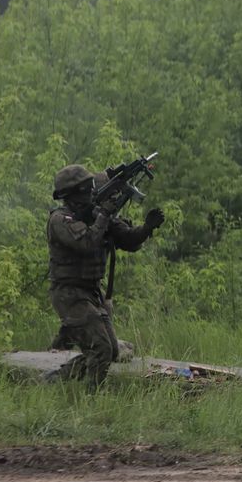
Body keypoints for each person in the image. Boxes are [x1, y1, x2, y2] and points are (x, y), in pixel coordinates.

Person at [46, 164, 164, 388]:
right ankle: (92, 400)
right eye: (85, 189)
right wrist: (104, 214)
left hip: (91, 292)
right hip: (69, 294)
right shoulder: (60, 220)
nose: (90, 192)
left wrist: (147, 228)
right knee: (101, 348)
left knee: (110, 350)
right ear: (73, 193)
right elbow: (87, 244)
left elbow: (127, 239)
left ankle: (57, 381)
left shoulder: (96, 214)